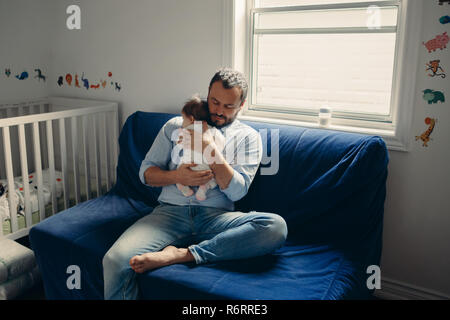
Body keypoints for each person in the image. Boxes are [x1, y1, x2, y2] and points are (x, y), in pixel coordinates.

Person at [102, 68, 288, 300]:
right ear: (208, 94)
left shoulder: (248, 137)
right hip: (168, 215)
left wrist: (208, 149)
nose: (219, 111)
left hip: (216, 218)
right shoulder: (174, 126)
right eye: (214, 101)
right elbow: (145, 174)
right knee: (114, 260)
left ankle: (182, 255)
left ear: (242, 105)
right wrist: (177, 177)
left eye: (228, 106)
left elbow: (237, 192)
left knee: (275, 227)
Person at [175, 95, 225, 201]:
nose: (183, 123)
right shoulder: (214, 131)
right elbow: (220, 146)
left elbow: (179, 145)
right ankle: (203, 189)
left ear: (191, 119)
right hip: (207, 169)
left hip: (189, 165)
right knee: (213, 179)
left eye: (183, 119)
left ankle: (183, 188)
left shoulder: (186, 130)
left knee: (178, 172)